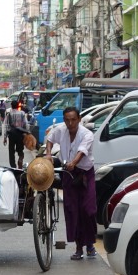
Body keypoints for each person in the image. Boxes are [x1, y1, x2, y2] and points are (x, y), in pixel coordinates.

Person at [44, 106, 96, 260]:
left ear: (79, 119)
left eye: (73, 119)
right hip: (68, 174)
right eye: (67, 120)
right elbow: (50, 139)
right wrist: (48, 154)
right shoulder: (61, 130)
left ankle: (90, 244)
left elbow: (81, 152)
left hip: (85, 174)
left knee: (89, 209)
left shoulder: (86, 134)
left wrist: (73, 162)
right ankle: (79, 247)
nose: (70, 123)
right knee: (73, 210)